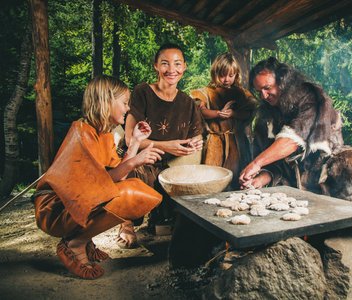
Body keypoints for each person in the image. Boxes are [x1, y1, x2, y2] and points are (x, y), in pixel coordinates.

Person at [33, 75, 164, 279]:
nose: (128, 108)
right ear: (106, 102)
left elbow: (117, 176)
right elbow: (97, 184)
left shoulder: (103, 134)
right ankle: (74, 243)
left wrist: (136, 141)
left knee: (135, 190)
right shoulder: (82, 132)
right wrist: (135, 160)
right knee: (131, 193)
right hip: (54, 208)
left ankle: (83, 239)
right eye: (124, 103)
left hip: (71, 204)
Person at [124, 43, 204, 240]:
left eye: (177, 64)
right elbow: (128, 140)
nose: (171, 69)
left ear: (184, 66)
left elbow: (197, 135)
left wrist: (195, 143)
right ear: (156, 66)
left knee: (188, 181)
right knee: (135, 172)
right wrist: (164, 146)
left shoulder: (187, 102)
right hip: (140, 158)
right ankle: (126, 223)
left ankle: (160, 218)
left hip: (170, 163)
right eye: (165, 63)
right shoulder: (142, 92)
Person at [239, 57, 344, 193]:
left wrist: (256, 164)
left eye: (267, 88)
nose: (264, 96)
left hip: (324, 176)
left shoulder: (310, 97)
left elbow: (291, 141)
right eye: (259, 92)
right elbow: (273, 162)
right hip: (292, 182)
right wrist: (259, 179)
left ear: (282, 82)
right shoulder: (266, 115)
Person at [190, 52, 258, 188]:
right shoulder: (206, 92)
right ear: (215, 73)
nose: (226, 79)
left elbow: (249, 112)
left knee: (237, 178)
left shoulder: (242, 93)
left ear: (236, 75)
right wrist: (217, 114)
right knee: (212, 180)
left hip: (237, 143)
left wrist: (234, 113)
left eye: (231, 75)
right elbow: (201, 111)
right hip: (214, 144)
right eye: (222, 75)